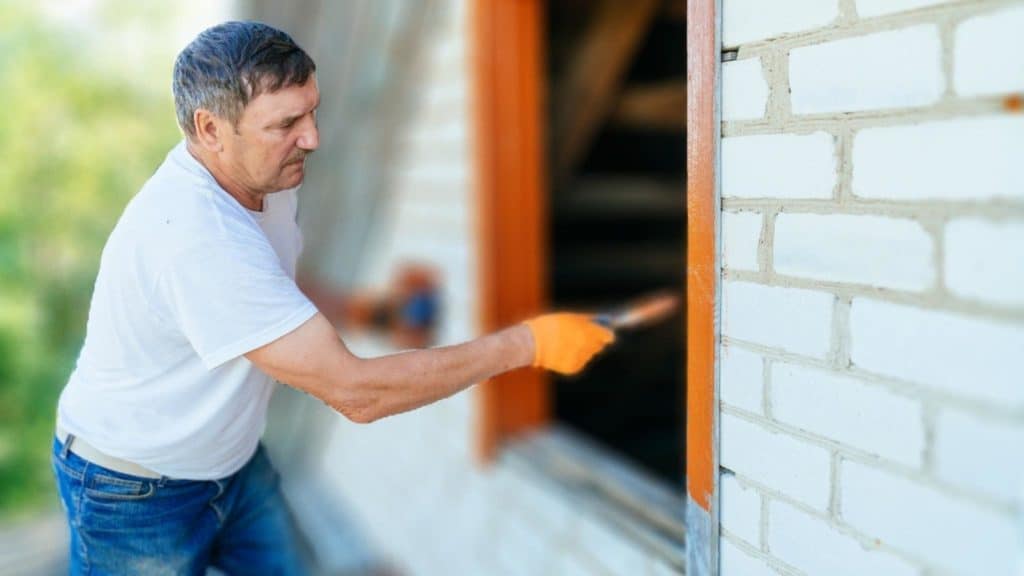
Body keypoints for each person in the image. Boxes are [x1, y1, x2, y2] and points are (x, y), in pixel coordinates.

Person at [51, 20, 614, 575]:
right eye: (288, 123)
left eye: (311, 111)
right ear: (211, 128)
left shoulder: (261, 179)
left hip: (232, 465)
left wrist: (368, 313)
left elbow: (270, 284)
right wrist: (527, 344)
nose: (313, 138)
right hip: (131, 491)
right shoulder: (196, 237)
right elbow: (357, 394)